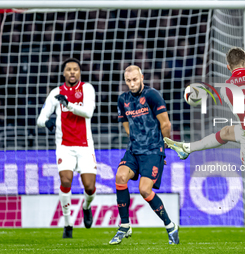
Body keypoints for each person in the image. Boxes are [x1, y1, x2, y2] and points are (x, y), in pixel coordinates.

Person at [165, 47, 245, 252]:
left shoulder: (227, 87)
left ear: (228, 67)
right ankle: (187, 148)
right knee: (227, 132)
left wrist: (196, 91)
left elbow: (228, 108)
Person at [109, 65, 179, 245]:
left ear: (141, 77)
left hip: (153, 150)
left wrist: (166, 144)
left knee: (144, 190)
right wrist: (133, 137)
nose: (132, 84)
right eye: (128, 81)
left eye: (135, 80)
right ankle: (125, 225)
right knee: (120, 176)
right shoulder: (122, 99)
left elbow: (166, 124)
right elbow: (124, 120)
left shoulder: (152, 95)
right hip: (134, 150)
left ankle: (170, 226)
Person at [37, 58, 97, 238]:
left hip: (85, 146)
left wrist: (68, 105)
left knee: (89, 187)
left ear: (79, 72)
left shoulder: (87, 89)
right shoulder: (56, 93)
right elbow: (40, 118)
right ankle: (68, 224)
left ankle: (86, 207)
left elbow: (88, 112)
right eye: (69, 69)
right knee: (65, 181)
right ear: (64, 73)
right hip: (64, 146)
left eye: (75, 69)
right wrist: (46, 122)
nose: (72, 72)